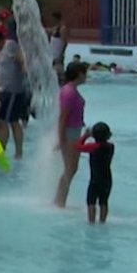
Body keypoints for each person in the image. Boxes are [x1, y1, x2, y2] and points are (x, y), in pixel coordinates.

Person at [55, 61, 90, 208]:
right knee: (70, 168)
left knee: (71, 168)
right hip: (70, 133)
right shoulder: (69, 92)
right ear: (79, 74)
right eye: (85, 73)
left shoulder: (70, 90)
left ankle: (60, 200)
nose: (86, 76)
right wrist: (61, 138)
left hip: (74, 131)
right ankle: (59, 201)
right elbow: (63, 117)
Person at [0, 21, 29, 159]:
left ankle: (16, 152)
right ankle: (4, 151)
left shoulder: (11, 45)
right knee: (4, 121)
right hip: (6, 90)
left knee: (11, 122)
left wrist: (24, 70)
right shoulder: (4, 48)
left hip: (13, 91)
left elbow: (22, 60)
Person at [76, 122, 115, 224]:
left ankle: (91, 223)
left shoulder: (93, 147)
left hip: (95, 179)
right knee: (104, 201)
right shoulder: (111, 147)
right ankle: (103, 222)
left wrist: (85, 136)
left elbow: (78, 147)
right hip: (107, 179)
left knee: (91, 201)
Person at [48, 11, 68, 82]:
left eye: (52, 19)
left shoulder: (62, 29)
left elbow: (65, 43)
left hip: (58, 55)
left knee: (59, 73)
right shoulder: (55, 28)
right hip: (52, 54)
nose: (51, 20)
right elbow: (47, 30)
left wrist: (61, 55)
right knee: (52, 73)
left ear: (56, 19)